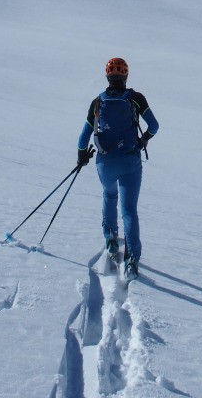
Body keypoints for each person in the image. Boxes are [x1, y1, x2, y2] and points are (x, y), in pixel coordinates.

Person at [77, 57, 159, 279]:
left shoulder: (97, 102)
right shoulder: (135, 98)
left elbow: (83, 137)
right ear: (125, 76)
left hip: (105, 162)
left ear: (107, 76)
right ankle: (131, 261)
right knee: (129, 210)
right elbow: (154, 126)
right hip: (130, 161)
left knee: (109, 195)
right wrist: (143, 141)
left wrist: (81, 156)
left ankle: (111, 238)